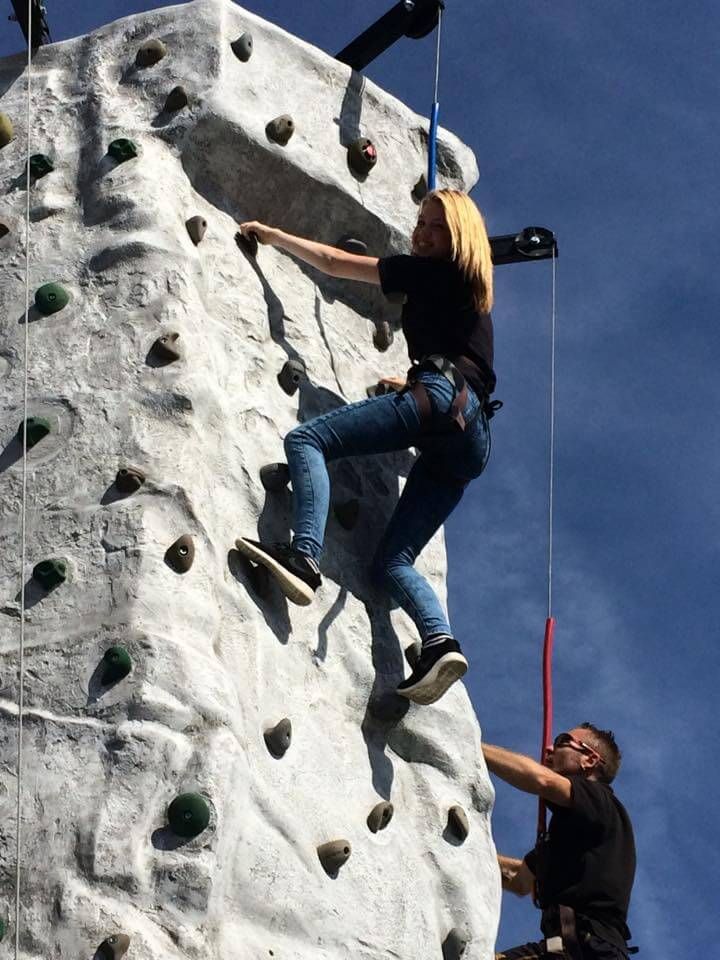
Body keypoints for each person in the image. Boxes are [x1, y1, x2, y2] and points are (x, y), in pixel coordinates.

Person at [235, 189, 496, 704]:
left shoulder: (430, 271)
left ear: (458, 237)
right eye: (420, 222)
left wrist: (273, 235)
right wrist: (412, 383)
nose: (421, 234)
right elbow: (465, 371)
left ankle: (304, 557)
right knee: (391, 564)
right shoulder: (473, 294)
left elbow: (336, 263)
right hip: (473, 435)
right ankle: (439, 642)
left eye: (435, 227)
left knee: (307, 439)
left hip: (439, 401)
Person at [483, 724, 636, 960]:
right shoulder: (566, 840)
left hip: (589, 950)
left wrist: (471, 744)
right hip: (571, 949)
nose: (549, 747)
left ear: (590, 760)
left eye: (563, 741)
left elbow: (542, 781)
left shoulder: (599, 800)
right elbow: (519, 880)